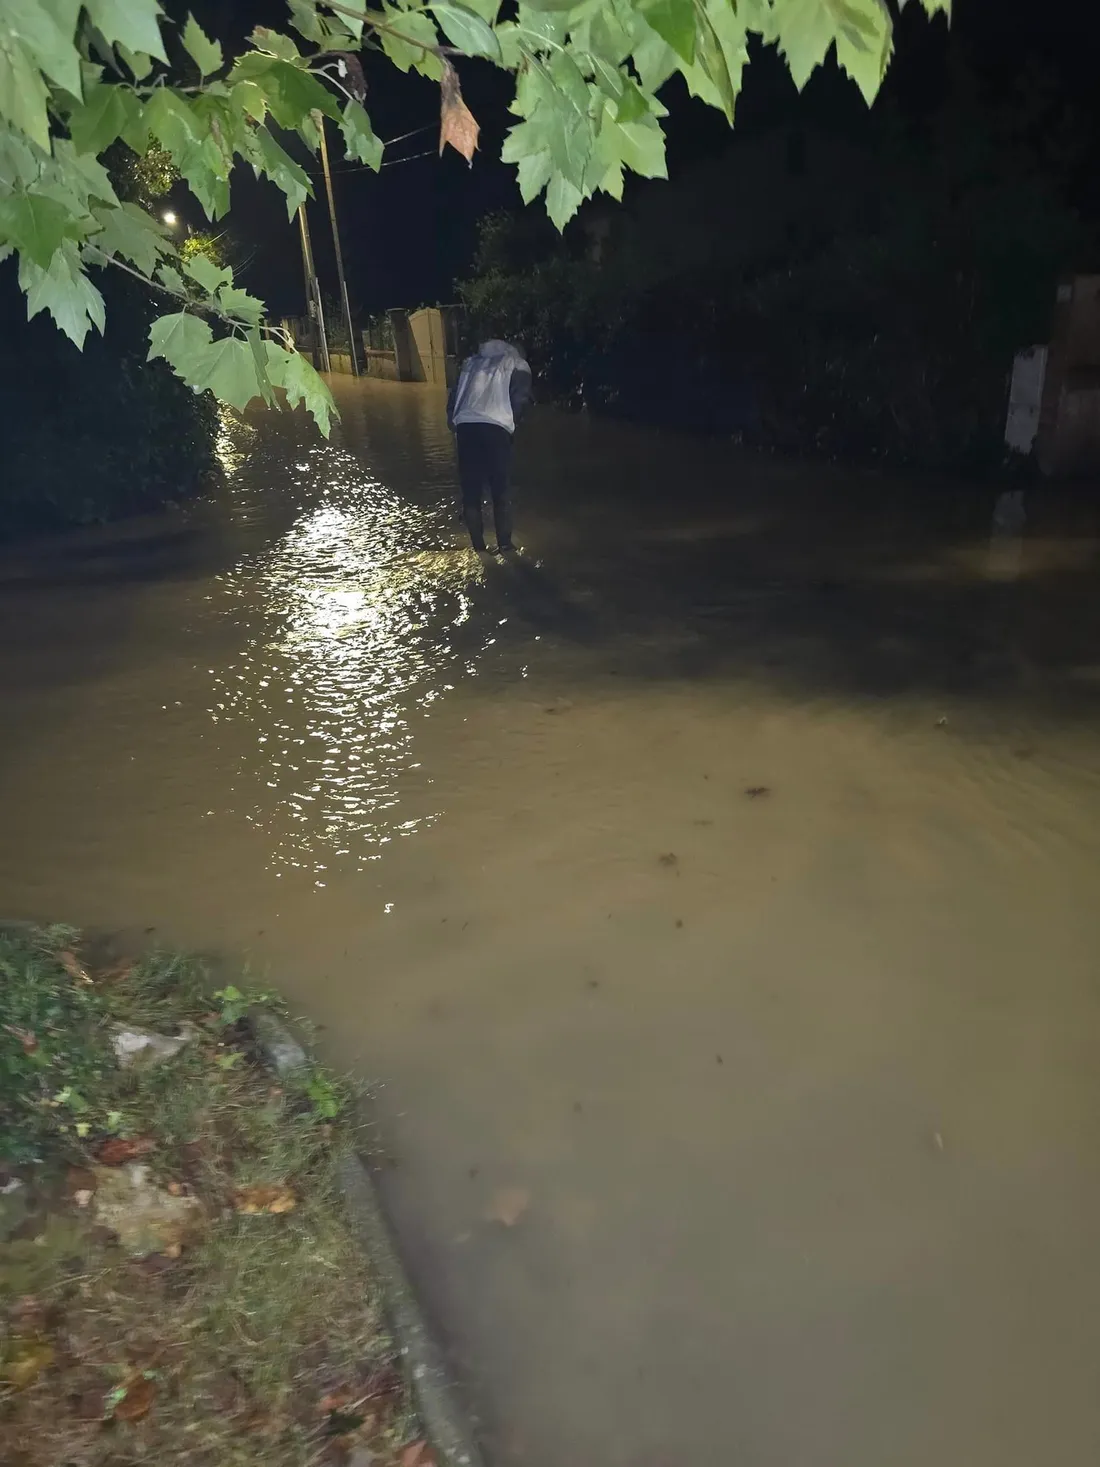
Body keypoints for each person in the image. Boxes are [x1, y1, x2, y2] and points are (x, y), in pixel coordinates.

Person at [447, 337, 532, 553]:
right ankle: (505, 546)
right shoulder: (517, 364)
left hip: (466, 427)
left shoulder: (471, 362)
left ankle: (478, 549)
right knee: (501, 491)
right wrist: (512, 426)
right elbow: (520, 401)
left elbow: (453, 399)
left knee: (471, 493)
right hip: (496, 428)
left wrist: (455, 424)